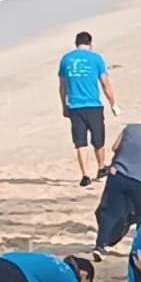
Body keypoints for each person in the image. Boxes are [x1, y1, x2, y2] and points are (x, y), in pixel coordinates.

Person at [92, 106, 141, 261]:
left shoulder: (129, 128)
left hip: (117, 174)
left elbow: (115, 147)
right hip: (140, 180)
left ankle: (99, 246)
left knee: (111, 213)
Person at [58, 31, 119, 187]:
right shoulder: (96, 58)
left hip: (74, 105)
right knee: (98, 139)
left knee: (80, 142)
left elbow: (62, 86)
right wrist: (113, 103)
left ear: (76, 43)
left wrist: (64, 105)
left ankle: (85, 174)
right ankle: (101, 168)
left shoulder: (66, 59)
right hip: (93, 105)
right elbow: (105, 83)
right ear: (90, 43)